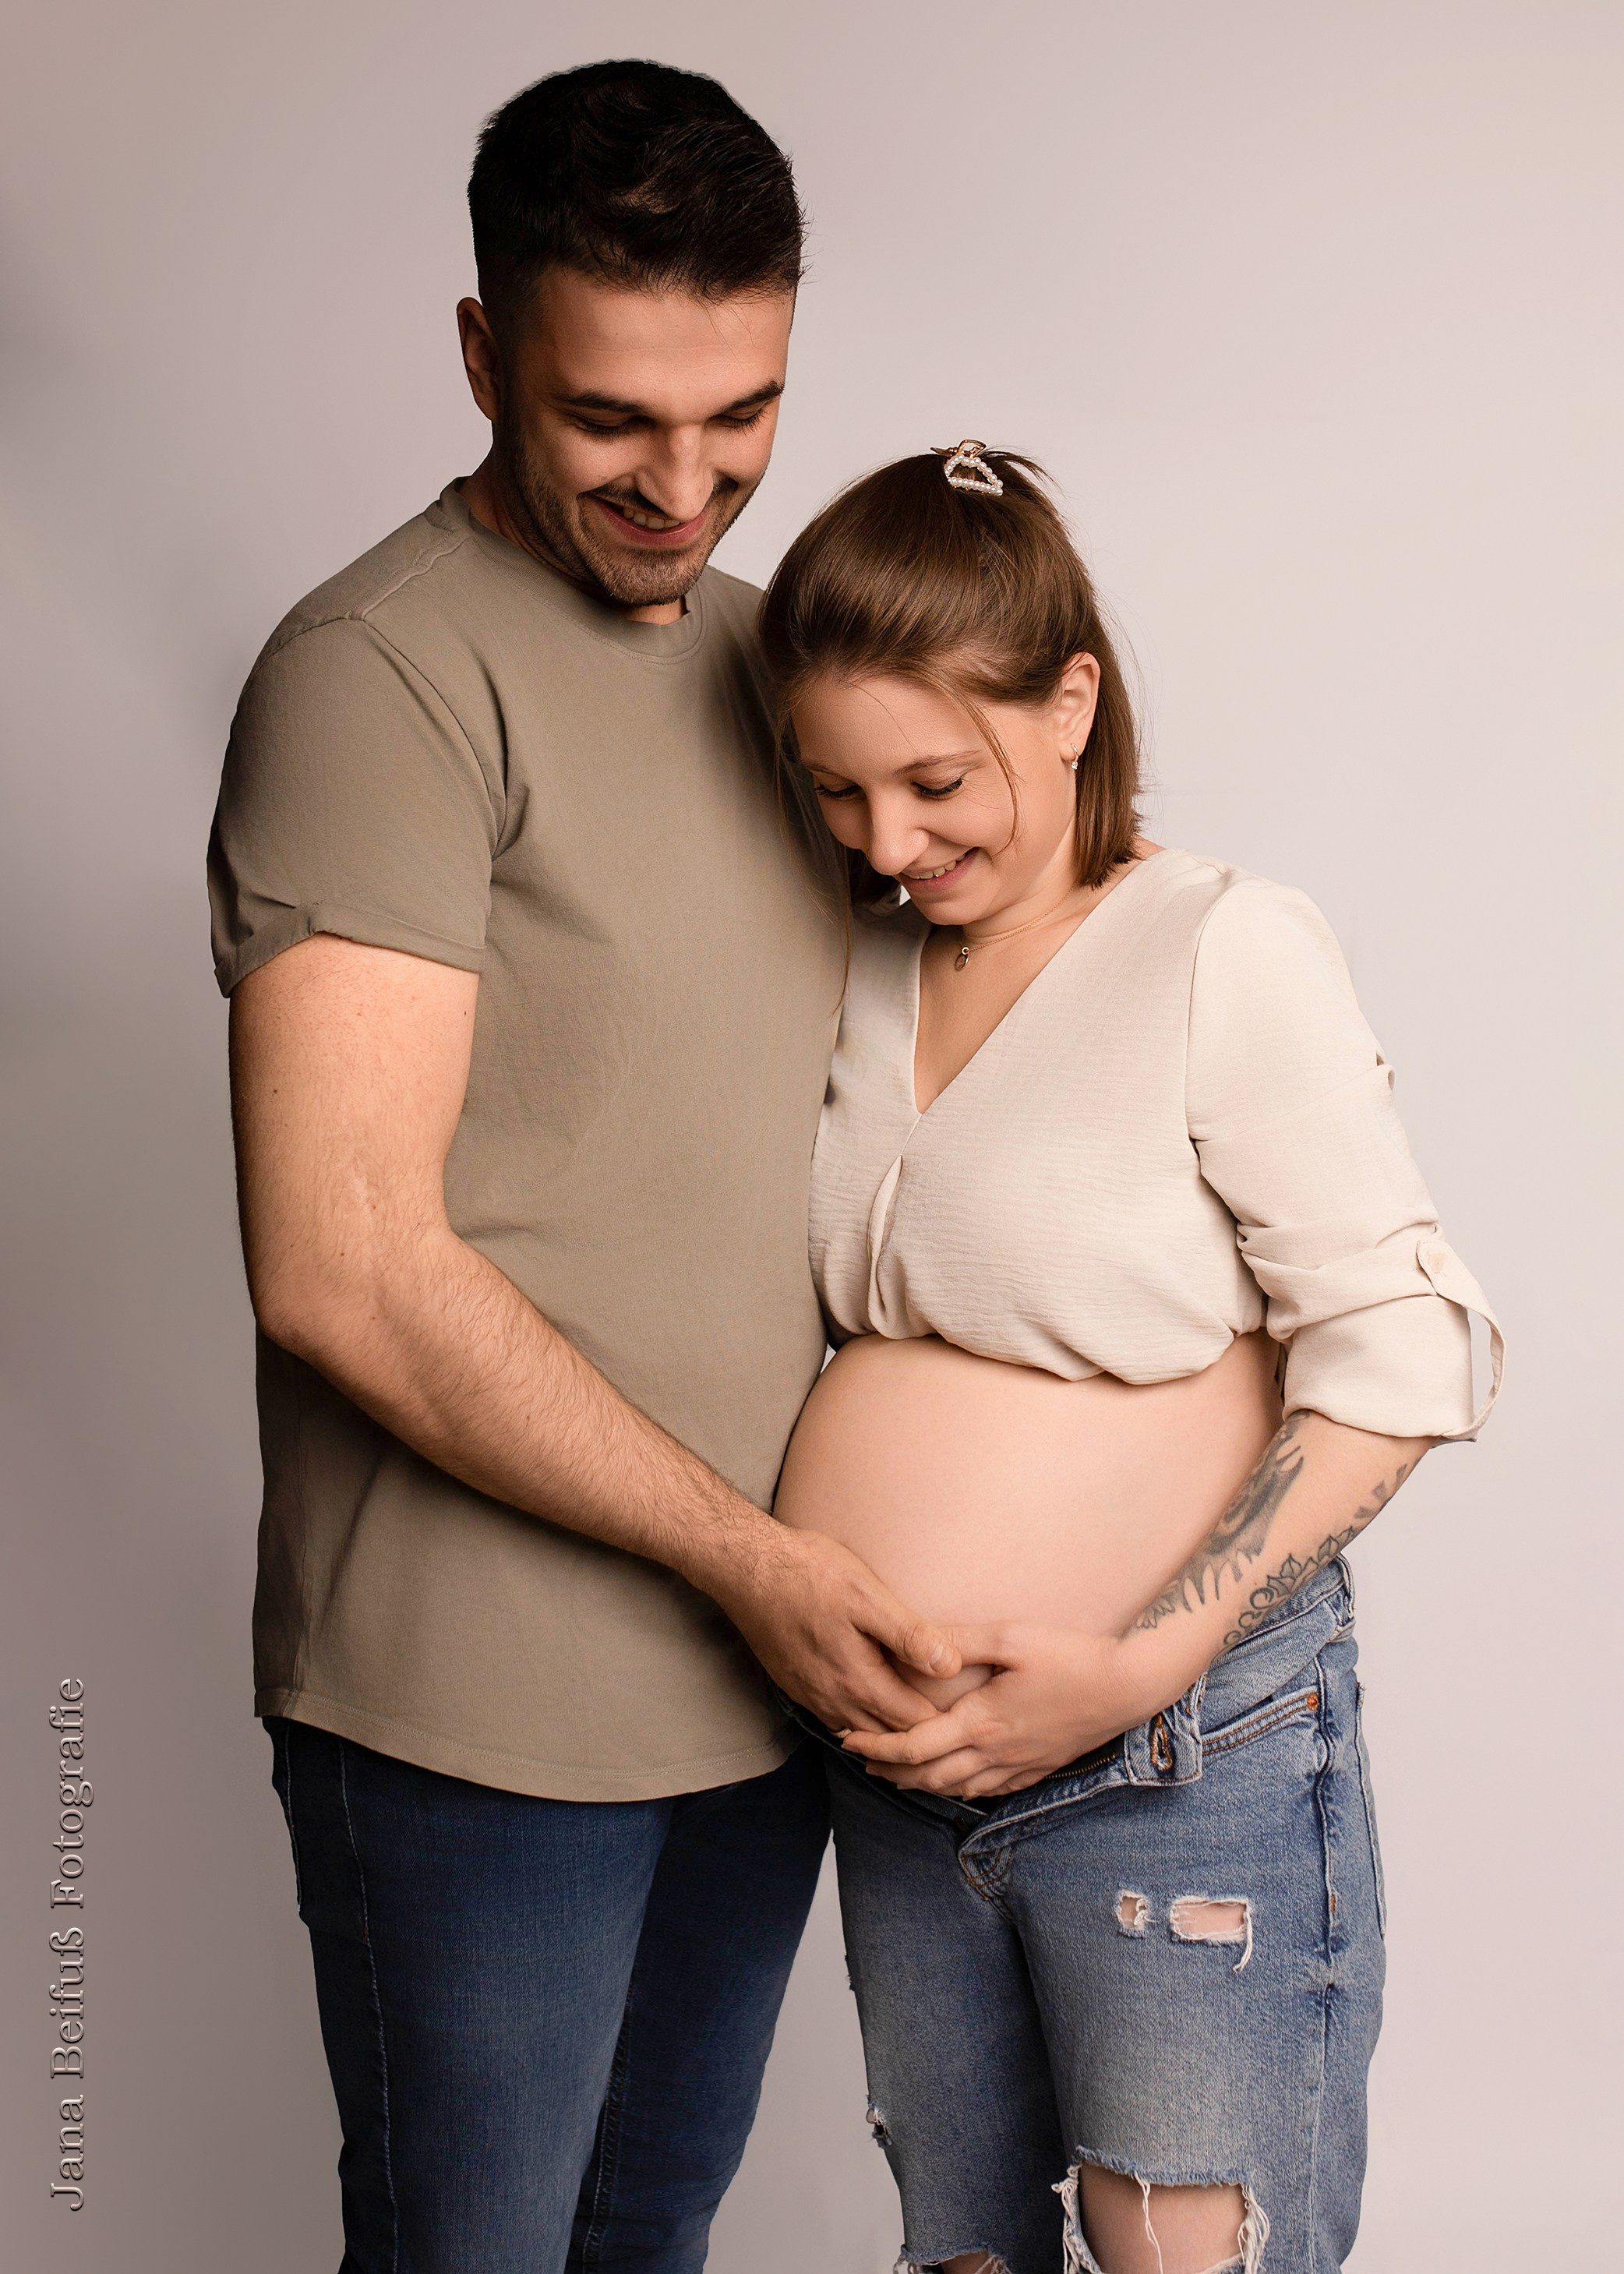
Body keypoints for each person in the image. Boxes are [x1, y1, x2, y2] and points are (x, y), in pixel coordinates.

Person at [208, 63, 960, 2274]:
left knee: (651, 2237)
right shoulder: (380, 680)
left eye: (743, 409)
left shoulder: (774, 662)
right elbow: (341, 1263)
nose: (690, 477)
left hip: (762, 1678)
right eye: (615, 414)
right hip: (477, 1710)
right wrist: (750, 1553)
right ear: (480, 355)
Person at [761, 445, 1502, 2274]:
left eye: (936, 780)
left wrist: (1135, 1662)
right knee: (965, 2253)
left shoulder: (1214, 947)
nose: (886, 841)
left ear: (1071, 698)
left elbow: (1401, 1345)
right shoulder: (855, 962)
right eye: (837, 790)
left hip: (1174, 1755)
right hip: (903, 1774)